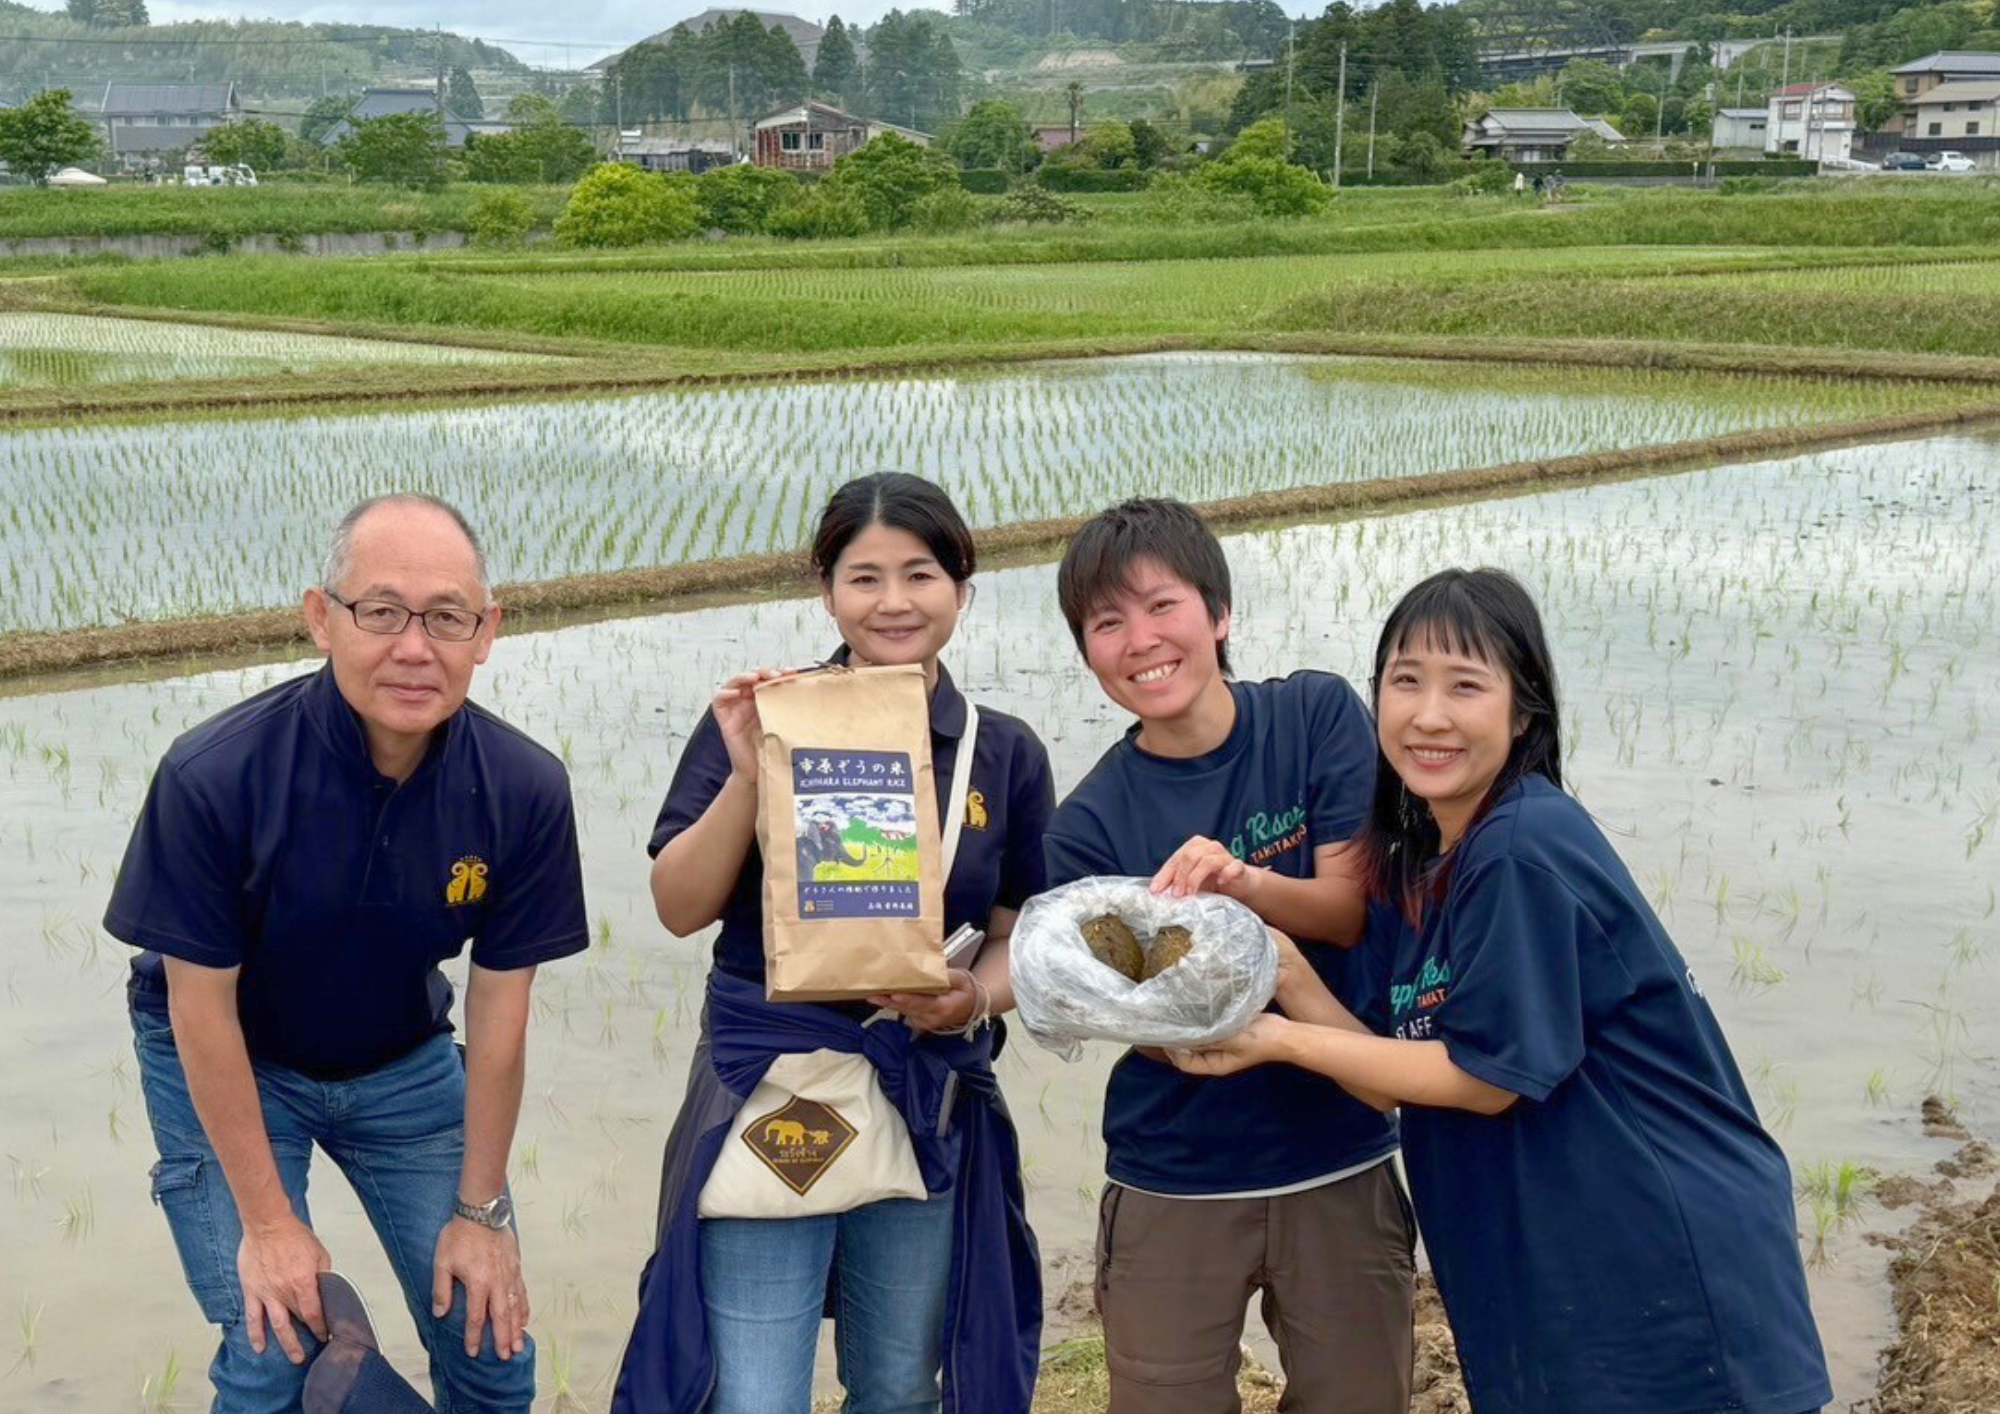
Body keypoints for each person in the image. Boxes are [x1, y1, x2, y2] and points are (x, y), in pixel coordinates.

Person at [1172, 568, 1834, 1414]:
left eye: (1466, 686)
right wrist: (1286, 969)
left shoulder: (1520, 847)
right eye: (1405, 681)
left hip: (1654, 1258)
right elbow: (1391, 1072)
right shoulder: (1436, 866)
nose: (1429, 715)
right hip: (1561, 1260)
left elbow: (1486, 1078)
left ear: (1522, 713)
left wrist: (1274, 1040)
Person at [106, 492, 589, 1413]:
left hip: (400, 1059)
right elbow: (197, 1008)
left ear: (486, 632)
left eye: (446, 616)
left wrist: (481, 1213)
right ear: (321, 618)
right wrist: (268, 1221)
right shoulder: (216, 776)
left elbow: (499, 1006)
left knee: (491, 1338)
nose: (416, 647)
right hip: (229, 1056)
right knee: (271, 1342)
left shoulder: (523, 787)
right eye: (381, 612)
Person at [613, 472, 1054, 1414]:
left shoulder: (1002, 750)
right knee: (756, 1397)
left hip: (921, 1086)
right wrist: (747, 773)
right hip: (778, 1085)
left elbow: (1021, 933)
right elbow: (677, 905)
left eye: (921, 574)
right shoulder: (769, 716)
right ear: (826, 589)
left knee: (898, 1385)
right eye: (864, 577)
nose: (894, 602)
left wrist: (970, 999)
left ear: (962, 588)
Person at [1042, 498, 1414, 1414]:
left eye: (1162, 606)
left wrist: (1240, 888)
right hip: (1176, 1167)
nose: (1141, 641)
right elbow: (1143, 1017)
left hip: (1339, 1153)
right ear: (1088, 651)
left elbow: (1349, 912)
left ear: (1219, 614)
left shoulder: (1313, 716)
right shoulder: (1089, 825)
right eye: (1107, 622)